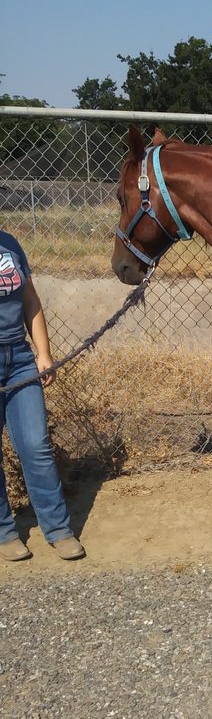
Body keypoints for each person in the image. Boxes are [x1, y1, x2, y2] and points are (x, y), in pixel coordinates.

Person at [0, 229, 85, 562]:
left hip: (20, 359)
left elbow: (30, 300)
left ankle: (58, 529)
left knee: (36, 445)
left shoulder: (9, 244)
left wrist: (43, 353)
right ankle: (5, 533)